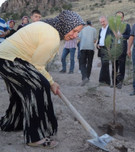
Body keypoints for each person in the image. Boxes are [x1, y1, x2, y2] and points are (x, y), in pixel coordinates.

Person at [0, 10, 84, 148]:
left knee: (20, 92)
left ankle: (13, 123)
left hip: (5, 57)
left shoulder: (48, 27)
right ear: (66, 25)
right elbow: (37, 66)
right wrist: (51, 82)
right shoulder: (52, 36)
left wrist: (50, 81)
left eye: (78, 32)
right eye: (74, 31)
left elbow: (35, 63)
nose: (75, 36)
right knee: (38, 87)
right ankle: (35, 136)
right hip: (10, 60)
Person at [111, 11, 131, 89]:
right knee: (114, 65)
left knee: (122, 66)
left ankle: (120, 82)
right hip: (114, 48)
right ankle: (114, 82)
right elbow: (109, 36)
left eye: (120, 17)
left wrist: (121, 36)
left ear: (123, 18)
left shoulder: (127, 25)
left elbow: (129, 36)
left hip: (122, 48)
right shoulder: (112, 27)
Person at [78, 20, 97, 86]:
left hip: (83, 48)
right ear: (91, 24)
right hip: (91, 48)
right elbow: (94, 40)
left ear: (86, 24)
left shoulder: (82, 29)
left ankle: (84, 77)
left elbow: (79, 38)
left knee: (82, 63)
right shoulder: (94, 29)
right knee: (89, 63)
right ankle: (87, 78)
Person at [97, 16, 113, 86]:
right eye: (101, 22)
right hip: (101, 48)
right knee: (104, 65)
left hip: (108, 49)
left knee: (105, 64)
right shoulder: (101, 29)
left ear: (107, 21)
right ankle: (106, 81)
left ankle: (102, 81)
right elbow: (99, 38)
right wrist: (97, 44)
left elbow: (113, 39)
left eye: (103, 21)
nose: (102, 23)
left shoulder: (110, 29)